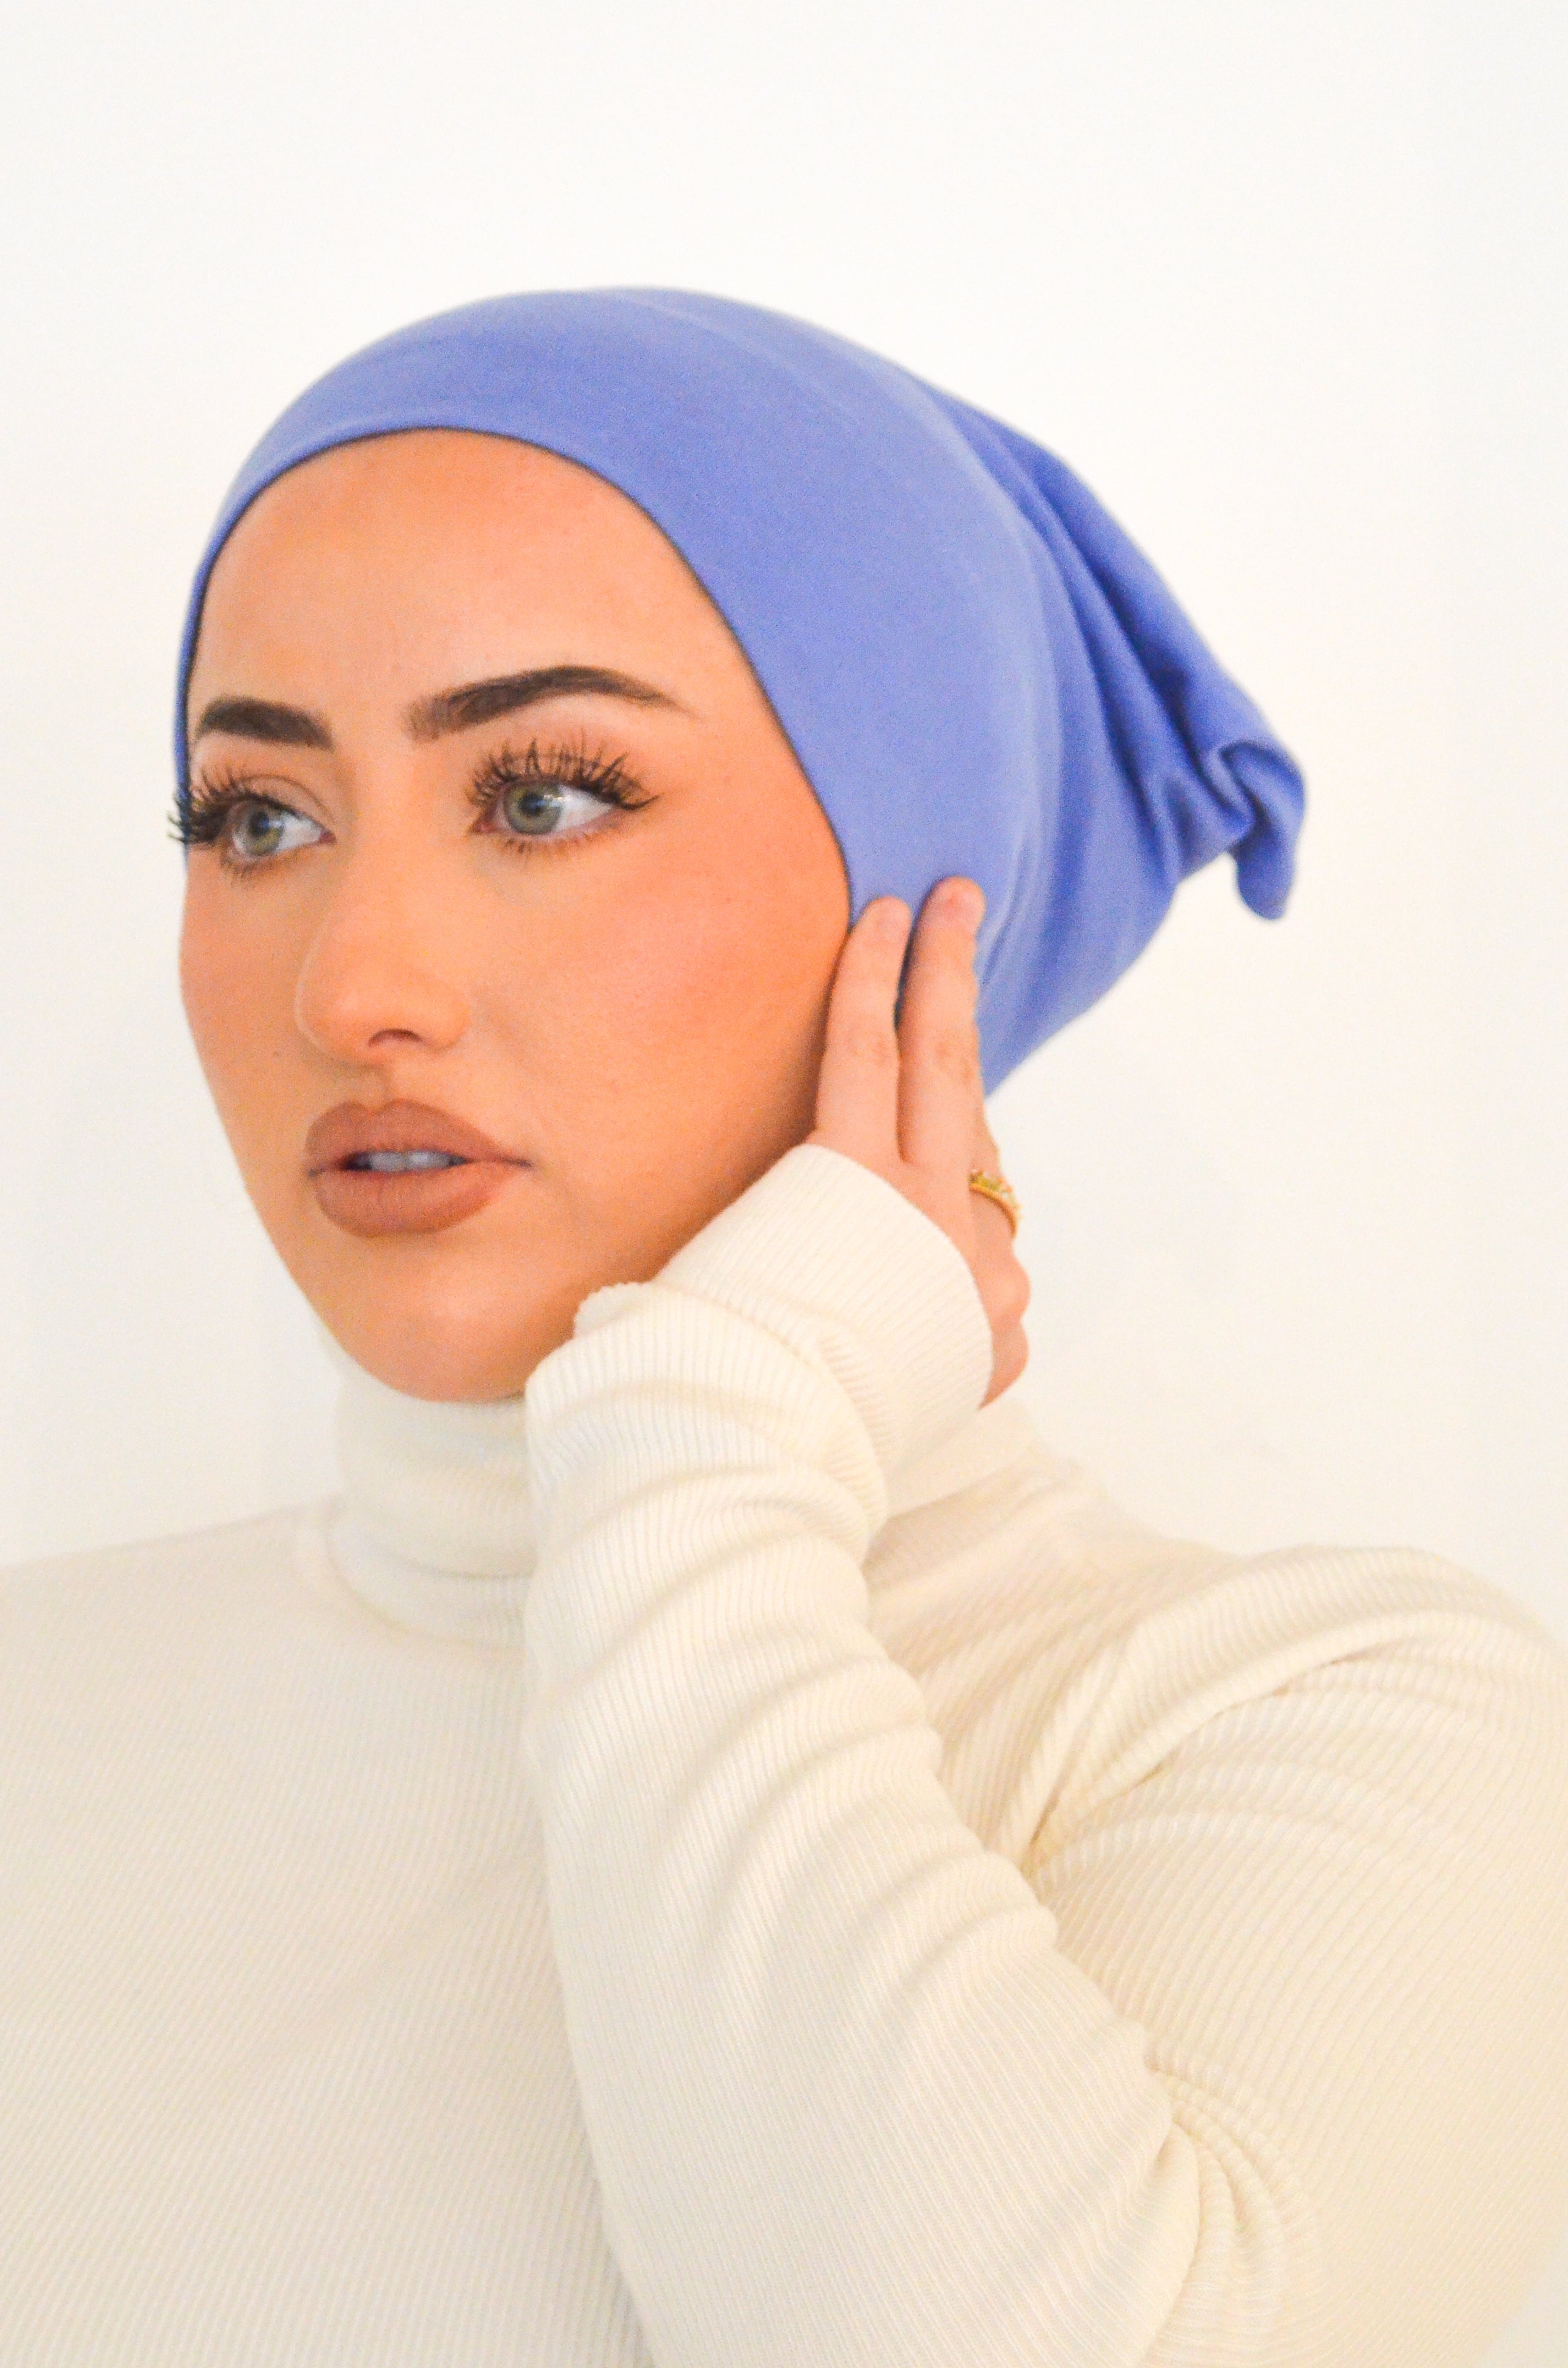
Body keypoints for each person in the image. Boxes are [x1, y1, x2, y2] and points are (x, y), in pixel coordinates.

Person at [3, 290, 1565, 2368]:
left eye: (544, 795)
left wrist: (710, 1443)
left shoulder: (1331, 1720)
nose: (352, 986)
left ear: (928, 905)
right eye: (258, 819)